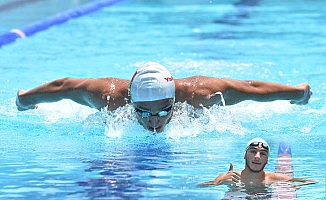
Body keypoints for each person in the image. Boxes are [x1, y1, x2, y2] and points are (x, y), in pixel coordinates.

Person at [16, 62, 312, 132]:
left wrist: (297, 94)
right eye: (142, 113)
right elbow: (66, 86)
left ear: (175, 101)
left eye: (162, 112)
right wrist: (26, 99)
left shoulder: (200, 95)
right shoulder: (109, 98)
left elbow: (252, 89)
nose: (153, 122)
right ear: (130, 102)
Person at [197, 137, 317, 189]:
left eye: (263, 154)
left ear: (267, 160)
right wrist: (221, 182)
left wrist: (296, 187)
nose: (257, 157)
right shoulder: (230, 177)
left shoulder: (274, 178)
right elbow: (200, 187)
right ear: (245, 155)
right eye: (253, 152)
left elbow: (311, 181)